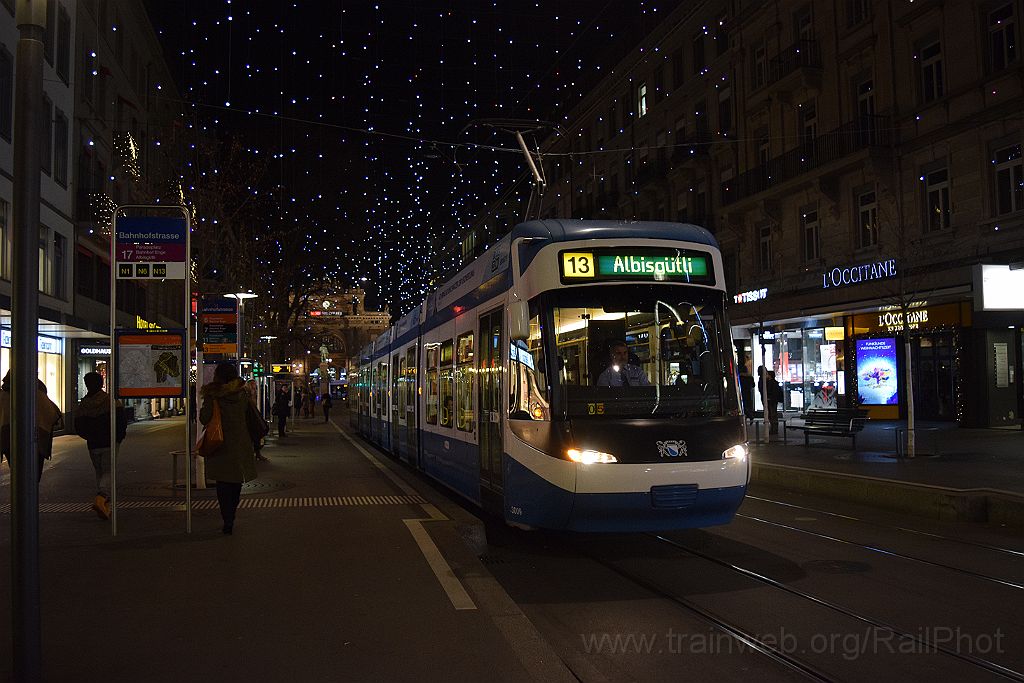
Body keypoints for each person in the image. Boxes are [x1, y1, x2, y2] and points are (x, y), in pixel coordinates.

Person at [199, 362, 257, 535]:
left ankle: (227, 520)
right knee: (236, 482)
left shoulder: (213, 395)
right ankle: (231, 514)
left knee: (223, 484)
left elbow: (204, 418)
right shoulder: (243, 394)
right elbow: (250, 416)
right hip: (240, 443)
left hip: (220, 443)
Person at [75, 372, 128, 519]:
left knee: (99, 472)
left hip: (93, 444)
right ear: (101, 382)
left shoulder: (84, 404)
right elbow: (121, 421)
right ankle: (102, 497)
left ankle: (105, 506)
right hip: (109, 442)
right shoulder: (110, 401)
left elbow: (78, 425)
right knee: (108, 471)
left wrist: (89, 436)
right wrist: (118, 437)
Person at [0, 371, 62, 483]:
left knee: (17, 473)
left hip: (9, 440)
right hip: (36, 439)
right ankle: (29, 496)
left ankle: (21, 495)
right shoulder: (38, 395)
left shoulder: (4, 396)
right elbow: (54, 414)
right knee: (34, 477)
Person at [245, 379, 269, 462]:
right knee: (254, 436)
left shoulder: (251, 395)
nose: (255, 386)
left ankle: (256, 453)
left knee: (255, 437)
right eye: (253, 384)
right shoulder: (247, 396)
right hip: (250, 420)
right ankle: (256, 454)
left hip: (252, 419)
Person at [758, 367, 782, 435]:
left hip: (771, 400)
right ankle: (773, 428)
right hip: (770, 400)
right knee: (771, 414)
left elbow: (764, 390)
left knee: (772, 414)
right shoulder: (766, 381)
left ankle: (774, 429)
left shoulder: (770, 382)